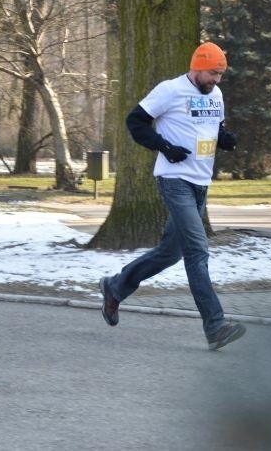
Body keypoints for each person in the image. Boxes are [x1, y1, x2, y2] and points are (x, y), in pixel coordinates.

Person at [98, 42, 246, 351]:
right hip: (174, 179)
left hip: (200, 183)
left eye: (220, 74)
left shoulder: (215, 95)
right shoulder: (170, 90)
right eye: (212, 74)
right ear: (197, 67)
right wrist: (164, 146)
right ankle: (215, 325)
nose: (216, 80)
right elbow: (135, 122)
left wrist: (224, 139)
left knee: (170, 252)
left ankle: (116, 287)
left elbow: (213, 127)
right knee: (197, 249)